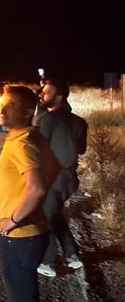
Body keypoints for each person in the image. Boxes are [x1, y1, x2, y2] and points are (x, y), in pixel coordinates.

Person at [0, 85, 60, 302]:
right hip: (28, 234)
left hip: (20, 236)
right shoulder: (28, 137)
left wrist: (15, 218)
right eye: (1, 105)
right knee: (27, 299)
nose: (2, 110)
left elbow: (38, 187)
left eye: (10, 106)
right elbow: (54, 167)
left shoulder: (22, 143)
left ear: (29, 112)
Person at [35, 78, 88, 277]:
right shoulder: (79, 122)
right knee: (54, 214)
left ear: (60, 97)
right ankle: (73, 255)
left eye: (47, 92)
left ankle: (48, 261)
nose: (42, 95)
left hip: (53, 176)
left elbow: (38, 149)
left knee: (45, 216)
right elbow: (81, 150)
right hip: (69, 179)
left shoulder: (47, 120)